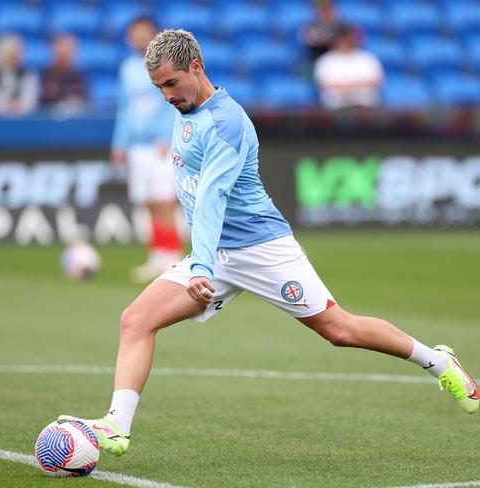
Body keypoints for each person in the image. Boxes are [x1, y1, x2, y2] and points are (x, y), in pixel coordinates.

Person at [59, 29, 478, 457]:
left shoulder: (226, 123)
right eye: (158, 87)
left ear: (196, 67)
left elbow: (211, 199)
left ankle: (439, 362)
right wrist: (206, 260)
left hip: (261, 249)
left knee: (340, 330)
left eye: (171, 83)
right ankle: (116, 426)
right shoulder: (186, 108)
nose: (166, 95)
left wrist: (200, 267)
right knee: (135, 320)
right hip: (216, 252)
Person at [111, 17, 182, 283]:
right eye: (135, 34)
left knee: (165, 200)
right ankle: (158, 256)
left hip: (159, 145)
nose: (139, 38)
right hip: (137, 145)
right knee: (149, 202)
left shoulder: (167, 63)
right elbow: (125, 108)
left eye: (143, 33)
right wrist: (119, 144)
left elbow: (172, 101)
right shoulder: (128, 68)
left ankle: (173, 257)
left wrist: (166, 136)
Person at [314, 24, 384, 111]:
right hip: (335, 107)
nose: (344, 42)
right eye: (341, 39)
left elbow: (376, 81)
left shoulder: (367, 58)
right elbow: (326, 85)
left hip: (366, 106)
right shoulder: (326, 60)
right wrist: (358, 86)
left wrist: (346, 87)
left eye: (347, 39)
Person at [39, 33, 87, 113]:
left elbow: (84, 101)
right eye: (62, 47)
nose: (65, 51)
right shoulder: (45, 74)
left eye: (69, 48)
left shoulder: (80, 75)